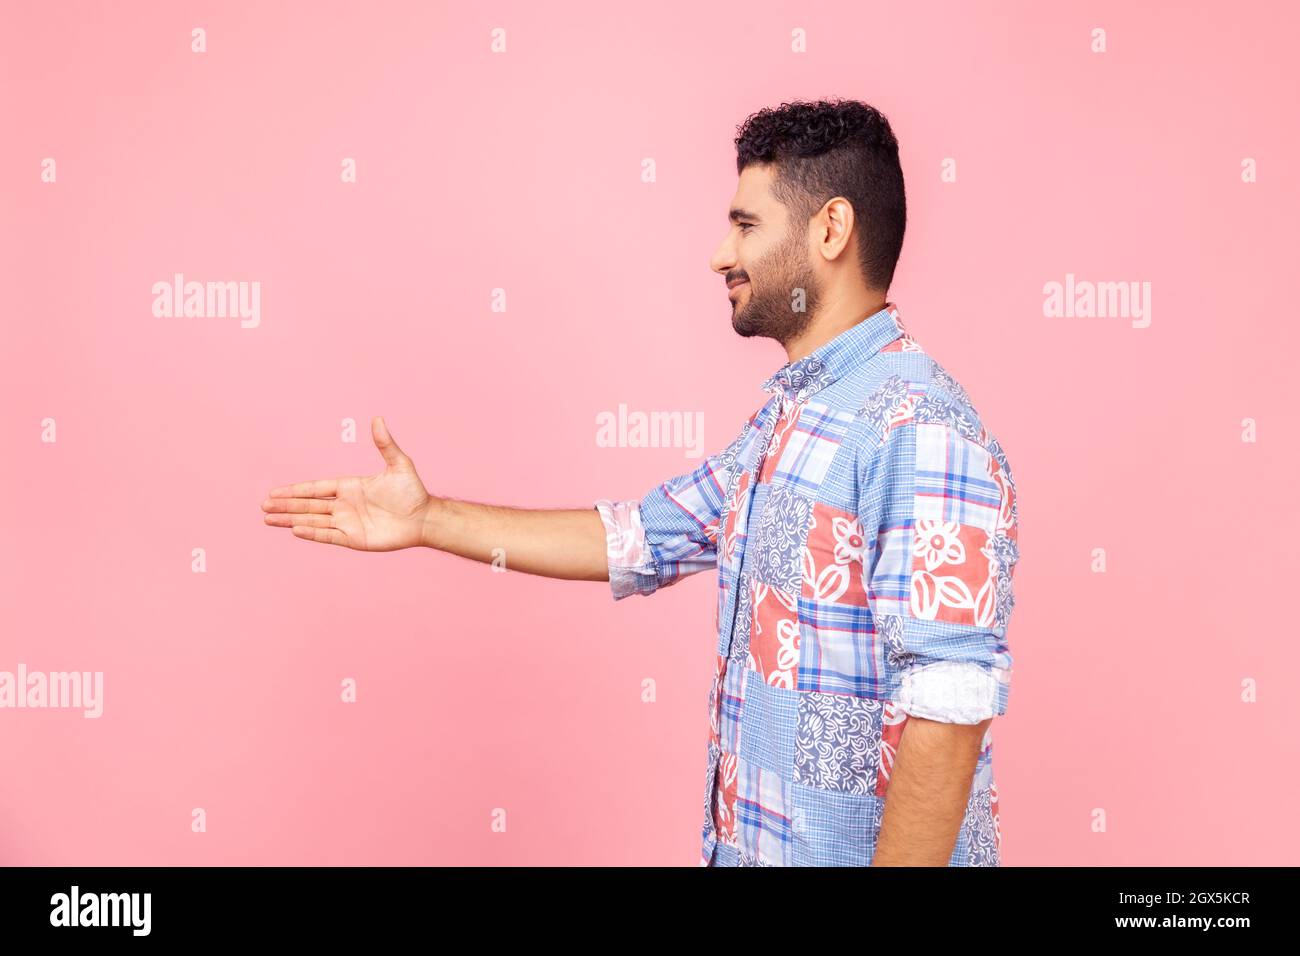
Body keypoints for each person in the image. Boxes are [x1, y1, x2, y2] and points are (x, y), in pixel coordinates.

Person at [261, 98, 1020, 867]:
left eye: (746, 225)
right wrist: (428, 519)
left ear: (830, 229)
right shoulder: (791, 419)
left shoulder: (916, 426)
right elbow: (642, 537)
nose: (720, 254)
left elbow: (948, 707)